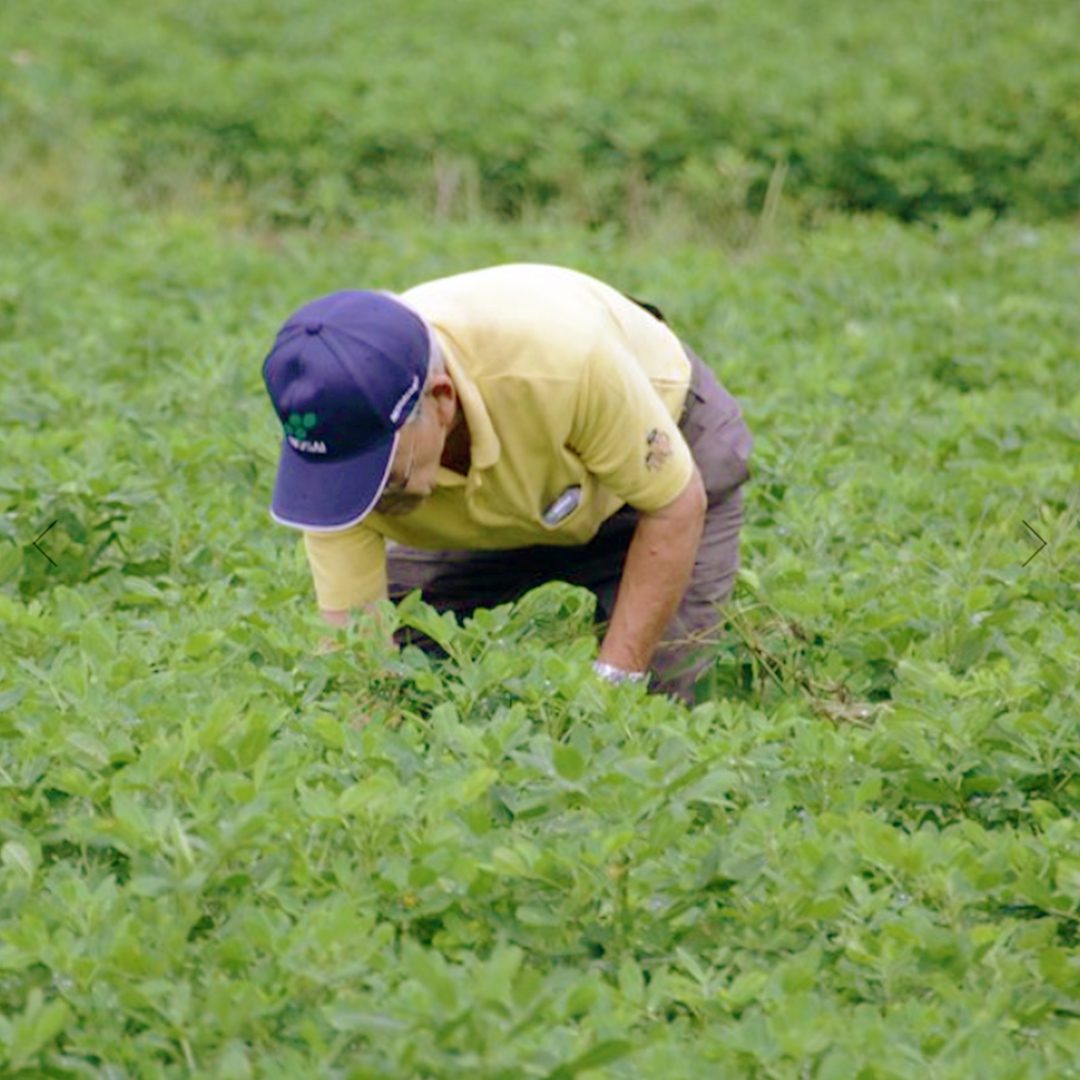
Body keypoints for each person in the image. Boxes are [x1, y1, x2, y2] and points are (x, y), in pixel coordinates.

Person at [261, 264, 752, 703]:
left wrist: (613, 687)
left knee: (655, 703)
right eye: (352, 482)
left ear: (442, 399)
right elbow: (357, 656)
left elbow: (674, 505)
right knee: (407, 649)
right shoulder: (335, 473)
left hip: (657, 470)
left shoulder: (563, 362)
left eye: (383, 477)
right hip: (513, 491)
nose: (372, 500)